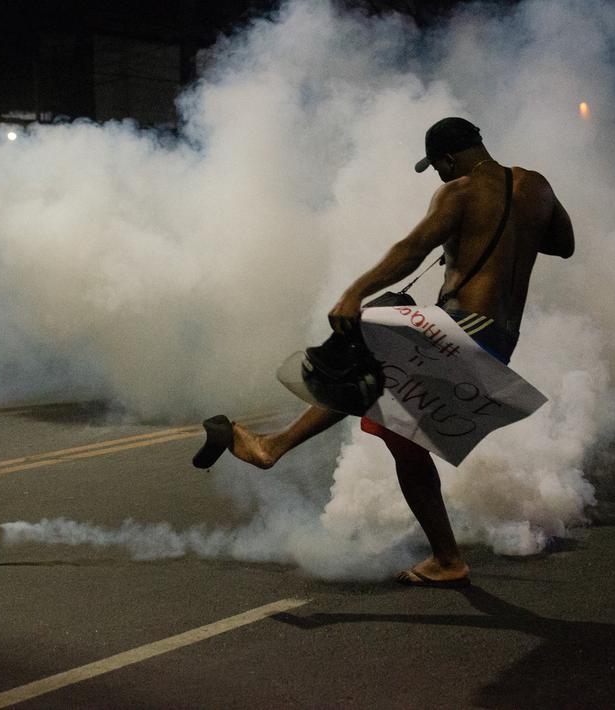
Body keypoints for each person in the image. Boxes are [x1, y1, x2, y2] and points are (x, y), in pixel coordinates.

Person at [193, 117, 575, 587]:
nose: (438, 176)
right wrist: (511, 232)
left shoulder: (458, 192)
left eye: (436, 167)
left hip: (461, 329)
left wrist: (354, 292)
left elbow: (411, 249)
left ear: (449, 160)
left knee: (366, 348)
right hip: (500, 339)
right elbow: (565, 244)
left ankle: (271, 448)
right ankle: (446, 560)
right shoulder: (536, 186)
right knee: (398, 428)